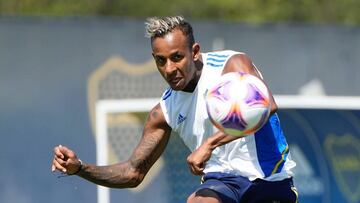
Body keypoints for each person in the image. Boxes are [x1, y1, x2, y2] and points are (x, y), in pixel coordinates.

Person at [51, 16, 298, 203]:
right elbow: (132, 172)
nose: (169, 68)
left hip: (270, 180)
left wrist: (209, 145)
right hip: (223, 183)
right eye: (161, 60)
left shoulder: (231, 65)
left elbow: (265, 106)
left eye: (176, 57)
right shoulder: (164, 111)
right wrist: (80, 168)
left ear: (195, 52)